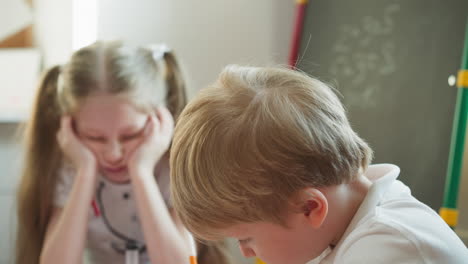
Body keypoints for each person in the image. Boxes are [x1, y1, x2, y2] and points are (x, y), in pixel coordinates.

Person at [170, 65, 468, 264]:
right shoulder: (350, 226)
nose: (247, 254)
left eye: (246, 239)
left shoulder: (390, 247)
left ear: (310, 208)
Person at [15, 41, 231, 264]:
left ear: (159, 119)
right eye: (95, 137)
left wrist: (142, 171)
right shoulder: (72, 165)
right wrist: (86, 172)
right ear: (70, 127)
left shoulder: (172, 166)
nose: (114, 154)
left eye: (130, 135)